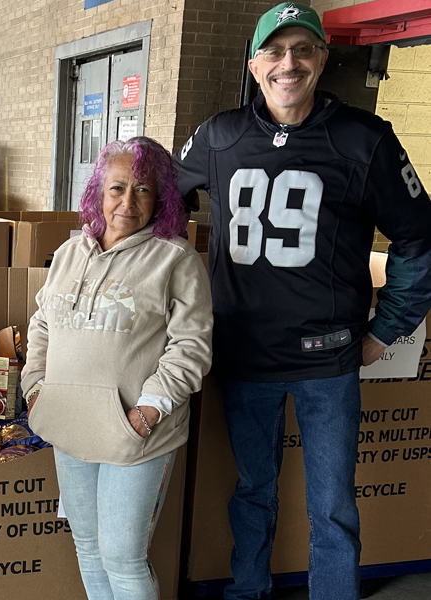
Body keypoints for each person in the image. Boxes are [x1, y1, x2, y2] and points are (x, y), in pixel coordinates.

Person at [173, 3, 431, 599]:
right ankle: (248, 590)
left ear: (322, 57)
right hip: (242, 354)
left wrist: (386, 328)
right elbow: (164, 211)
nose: (288, 63)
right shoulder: (218, 135)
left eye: (303, 49)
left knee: (333, 506)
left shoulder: (365, 139)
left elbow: (420, 235)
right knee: (252, 491)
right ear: (254, 63)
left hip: (328, 359)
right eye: (275, 51)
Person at [23, 137, 213, 600]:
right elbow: (42, 323)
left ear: (161, 198)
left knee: (123, 560)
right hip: (69, 426)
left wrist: (147, 412)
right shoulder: (70, 254)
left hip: (135, 436)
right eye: (117, 188)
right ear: (98, 192)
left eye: (143, 190)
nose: (128, 201)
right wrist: (34, 388)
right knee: (87, 548)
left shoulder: (175, 260)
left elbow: (191, 346)